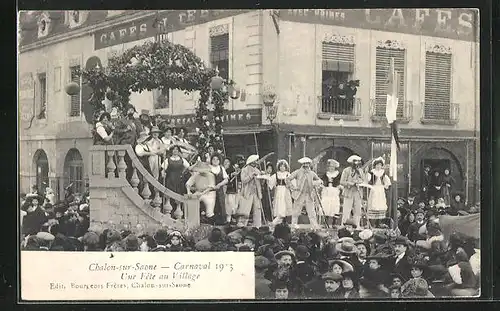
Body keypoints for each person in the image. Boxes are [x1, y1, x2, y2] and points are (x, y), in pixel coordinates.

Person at [286, 157, 322, 229]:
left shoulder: (312, 173)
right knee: (296, 211)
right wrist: (293, 187)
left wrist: (315, 183)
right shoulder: (298, 172)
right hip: (299, 194)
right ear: (302, 164)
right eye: (304, 163)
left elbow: (319, 181)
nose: (306, 165)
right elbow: (288, 179)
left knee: (311, 211)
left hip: (309, 194)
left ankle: (314, 226)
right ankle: (294, 225)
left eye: (307, 163)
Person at [261, 159, 293, 227]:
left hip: (285, 191)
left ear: (286, 167)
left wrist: (290, 185)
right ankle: (278, 220)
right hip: (278, 191)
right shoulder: (276, 175)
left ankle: (277, 221)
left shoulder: (288, 174)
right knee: (279, 204)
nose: (282, 168)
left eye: (283, 166)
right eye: (281, 166)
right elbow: (270, 181)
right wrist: (267, 179)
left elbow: (292, 183)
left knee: (284, 205)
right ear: (279, 167)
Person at [237, 155, 264, 227]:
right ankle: (242, 225)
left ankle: (257, 226)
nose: (256, 162)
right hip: (247, 192)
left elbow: (261, 183)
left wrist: (263, 178)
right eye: (254, 161)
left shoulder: (258, 170)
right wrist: (251, 175)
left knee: (257, 209)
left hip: (256, 192)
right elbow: (243, 180)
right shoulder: (245, 169)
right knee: (245, 209)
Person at [161, 145, 190, 214]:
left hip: (179, 180)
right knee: (169, 194)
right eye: (174, 149)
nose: (175, 151)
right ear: (171, 151)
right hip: (170, 179)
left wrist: (183, 171)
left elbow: (188, 167)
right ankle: (168, 212)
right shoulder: (167, 160)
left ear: (179, 151)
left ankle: (178, 212)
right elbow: (163, 169)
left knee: (179, 193)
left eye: (177, 150)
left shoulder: (182, 160)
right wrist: (163, 173)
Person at [340, 155, 365, 228]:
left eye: (358, 162)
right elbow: (342, 182)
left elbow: (363, 180)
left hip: (358, 192)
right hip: (349, 192)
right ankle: (344, 225)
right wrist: (350, 183)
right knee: (347, 209)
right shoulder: (346, 170)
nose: (357, 163)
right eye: (355, 161)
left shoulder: (360, 171)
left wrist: (359, 182)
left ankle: (357, 225)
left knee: (358, 210)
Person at [366, 157, 391, 228]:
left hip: (381, 190)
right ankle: (371, 223)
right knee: (373, 205)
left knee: (380, 205)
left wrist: (385, 186)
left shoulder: (383, 173)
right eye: (377, 165)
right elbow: (367, 180)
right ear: (375, 165)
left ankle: (378, 222)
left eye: (380, 165)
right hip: (374, 189)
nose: (378, 166)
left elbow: (387, 182)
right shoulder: (372, 172)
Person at [319, 159, 342, 227]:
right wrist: (322, 186)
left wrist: (339, 186)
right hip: (327, 191)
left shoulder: (338, 175)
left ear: (335, 167)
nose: (331, 168)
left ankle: (334, 223)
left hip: (334, 191)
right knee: (326, 205)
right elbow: (322, 182)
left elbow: (341, 182)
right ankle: (325, 223)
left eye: (332, 166)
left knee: (334, 206)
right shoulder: (326, 174)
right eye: (330, 166)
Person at [210, 154, 229, 225]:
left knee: (221, 205)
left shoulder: (221, 168)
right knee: (212, 206)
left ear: (219, 161)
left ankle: (222, 223)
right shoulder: (208, 168)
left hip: (219, 190)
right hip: (210, 191)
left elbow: (226, 179)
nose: (215, 161)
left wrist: (219, 185)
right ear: (211, 160)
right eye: (213, 159)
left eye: (217, 159)